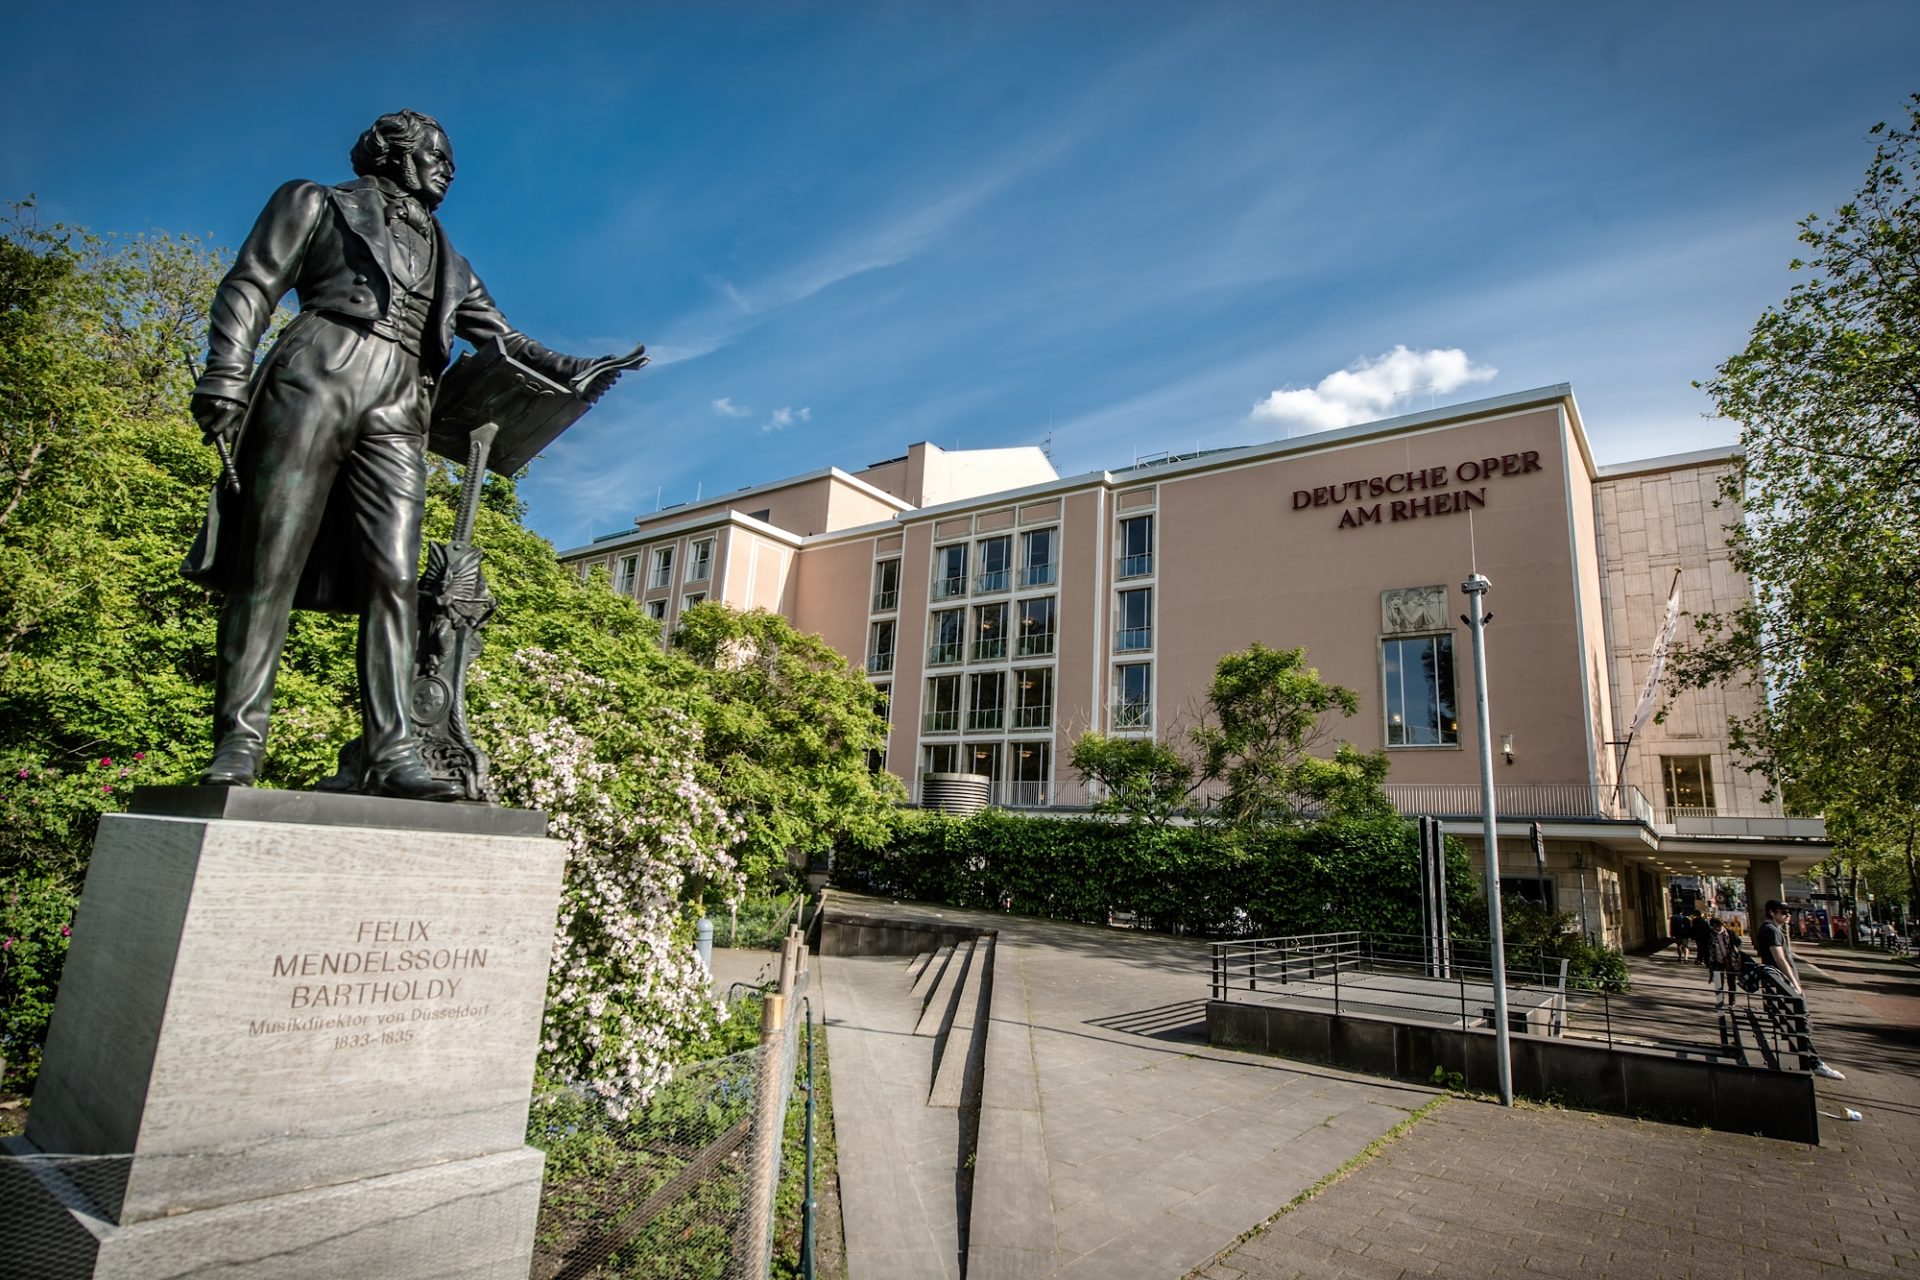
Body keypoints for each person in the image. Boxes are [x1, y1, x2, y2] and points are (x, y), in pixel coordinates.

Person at [185, 110, 596, 799]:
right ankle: (239, 740)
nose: (447, 168)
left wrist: (576, 368)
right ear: (392, 152)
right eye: (437, 153)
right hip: (318, 368)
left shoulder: (447, 254)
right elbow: (252, 283)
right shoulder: (314, 201)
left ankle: (391, 747)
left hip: (402, 399)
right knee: (270, 562)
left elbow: (502, 337)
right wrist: (227, 372)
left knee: (395, 576)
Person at [1754, 899, 1845, 1080]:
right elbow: (1780, 959)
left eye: (1789, 912)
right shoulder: (1770, 930)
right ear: (1772, 912)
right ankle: (1814, 1062)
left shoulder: (1773, 929)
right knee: (1799, 1020)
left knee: (1795, 1022)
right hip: (1783, 983)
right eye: (1783, 911)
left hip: (1781, 983)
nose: (1788, 915)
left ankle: (1810, 1060)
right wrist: (1794, 982)